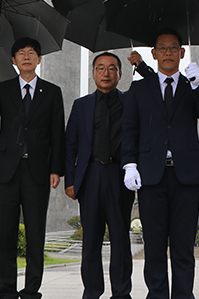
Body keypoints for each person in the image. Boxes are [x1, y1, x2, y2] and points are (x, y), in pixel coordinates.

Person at [121, 29, 199, 299]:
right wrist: (130, 164)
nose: (167, 52)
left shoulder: (192, 85)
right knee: (153, 246)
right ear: (153, 54)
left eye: (173, 48)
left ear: (182, 53)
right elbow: (129, 130)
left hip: (186, 176)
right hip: (151, 177)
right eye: (162, 48)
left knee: (183, 246)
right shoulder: (140, 88)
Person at [0, 37, 65, 299]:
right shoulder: (3, 89)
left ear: (39, 59)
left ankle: (31, 291)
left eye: (31, 53)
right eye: (21, 53)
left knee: (35, 234)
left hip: (38, 172)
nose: (26, 56)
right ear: (14, 60)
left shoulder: (52, 92)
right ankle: (6, 290)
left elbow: (57, 134)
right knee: (5, 234)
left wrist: (56, 169)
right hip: (7, 172)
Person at [65, 52, 134, 299]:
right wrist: (71, 180)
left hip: (119, 176)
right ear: (93, 73)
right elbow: (69, 145)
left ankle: (121, 293)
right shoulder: (81, 105)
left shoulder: (130, 102)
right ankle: (92, 292)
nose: (106, 73)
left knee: (121, 240)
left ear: (120, 74)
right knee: (91, 241)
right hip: (90, 176)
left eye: (112, 69)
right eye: (101, 68)